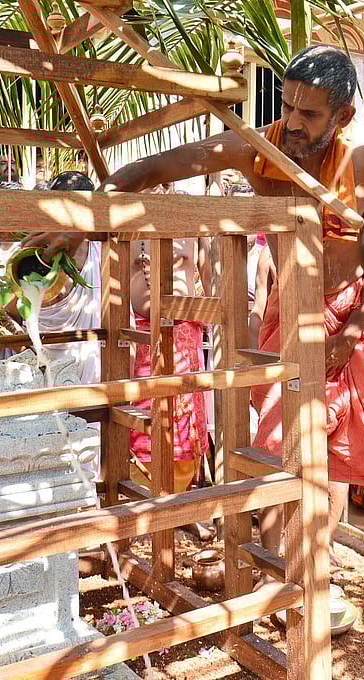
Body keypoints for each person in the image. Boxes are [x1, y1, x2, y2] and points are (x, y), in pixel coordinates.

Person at [28, 44, 364, 639]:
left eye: (310, 114)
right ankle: (278, 582)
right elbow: (145, 172)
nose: (291, 122)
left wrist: (356, 326)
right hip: (284, 321)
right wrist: (75, 221)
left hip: (352, 322)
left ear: (342, 117)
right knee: (272, 449)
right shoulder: (254, 150)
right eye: (286, 105)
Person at [129, 183, 212, 501]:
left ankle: (179, 504)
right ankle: (148, 499)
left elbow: (209, 275)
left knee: (183, 414)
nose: (159, 186)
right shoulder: (130, 216)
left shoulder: (191, 215)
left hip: (182, 333)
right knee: (144, 412)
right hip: (140, 334)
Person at [37, 171, 102, 385]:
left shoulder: (104, 252)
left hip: (97, 371)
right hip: (47, 370)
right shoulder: (34, 255)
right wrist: (36, 355)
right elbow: (9, 313)